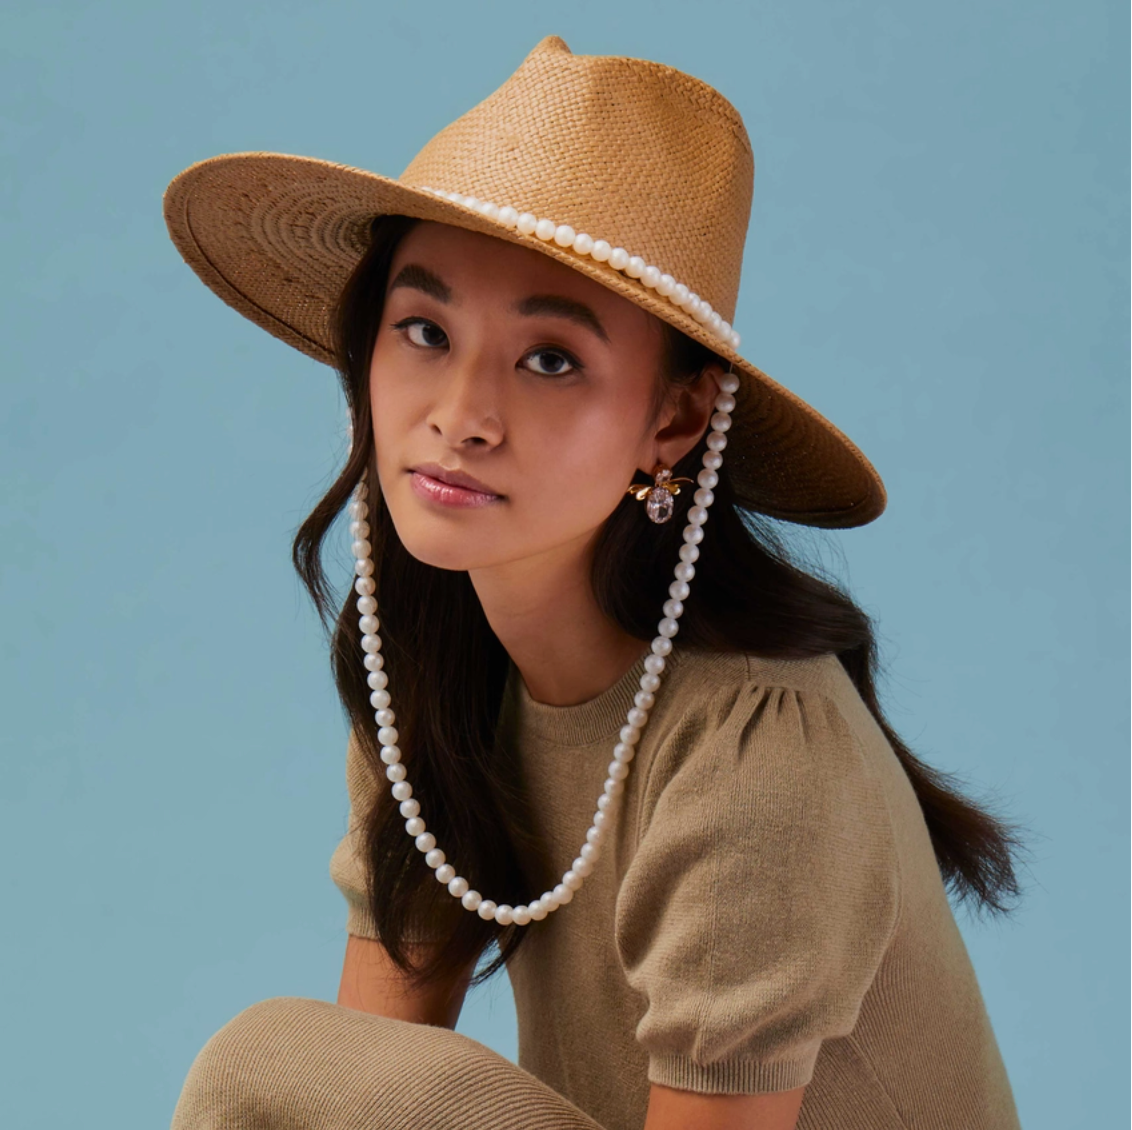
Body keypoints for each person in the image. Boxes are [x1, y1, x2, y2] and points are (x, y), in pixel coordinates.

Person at [163, 34, 1026, 1130]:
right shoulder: (430, 672)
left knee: (266, 1055)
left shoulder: (756, 752)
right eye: (423, 330)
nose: (461, 414)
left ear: (672, 420)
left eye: (550, 358)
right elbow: (357, 1081)